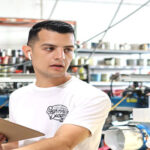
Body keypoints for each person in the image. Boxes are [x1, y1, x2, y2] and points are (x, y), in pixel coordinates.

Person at [1, 20, 111, 150]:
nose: (61, 56)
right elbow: (18, 144)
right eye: (50, 48)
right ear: (28, 52)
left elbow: (63, 143)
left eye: (68, 49)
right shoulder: (18, 96)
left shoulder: (92, 97)